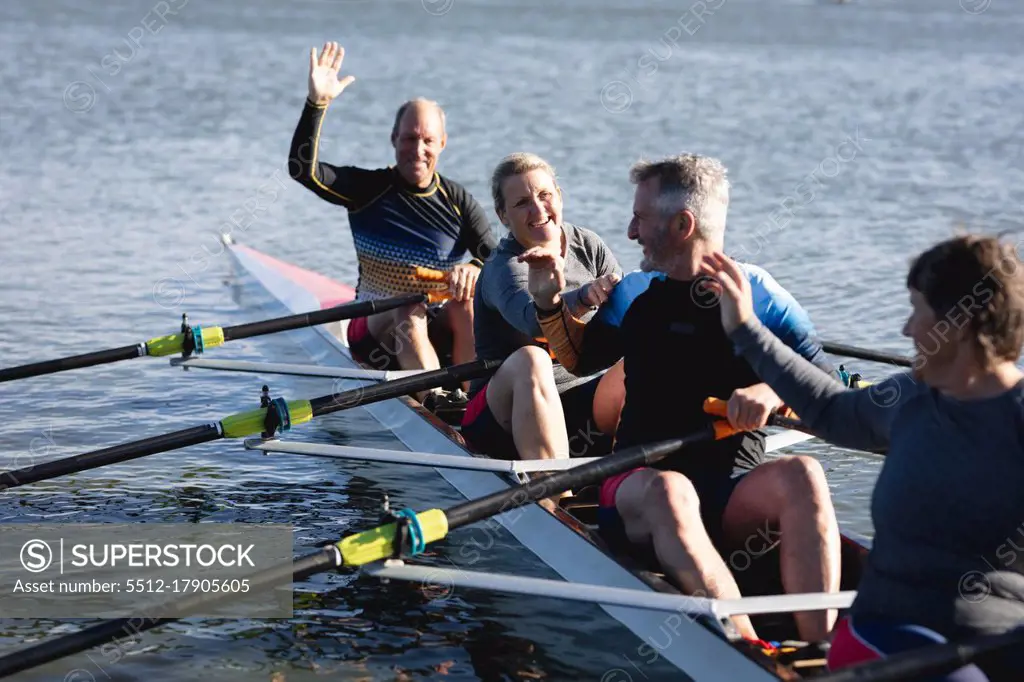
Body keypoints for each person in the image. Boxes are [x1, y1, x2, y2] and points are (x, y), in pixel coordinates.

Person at [522, 153, 842, 643]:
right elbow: (579, 360)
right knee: (673, 491)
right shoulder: (636, 293)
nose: (630, 232)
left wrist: (772, 388)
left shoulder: (760, 294)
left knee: (805, 473)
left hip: (734, 491)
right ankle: (750, 650)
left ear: (682, 224)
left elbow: (827, 389)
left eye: (641, 218)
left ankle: (823, 649)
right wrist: (549, 302)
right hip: (637, 486)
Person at [701, 235, 1024, 681]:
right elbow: (830, 409)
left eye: (917, 310)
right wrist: (745, 329)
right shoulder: (910, 397)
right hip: (888, 634)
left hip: (1002, 641)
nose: (906, 330)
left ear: (959, 324)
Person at [289, 42, 496, 392]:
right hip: (372, 326)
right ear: (393, 139)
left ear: (442, 143)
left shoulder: (458, 200)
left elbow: (495, 258)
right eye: (409, 138)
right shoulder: (368, 188)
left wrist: (474, 267)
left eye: (428, 140)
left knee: (466, 306)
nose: (418, 150)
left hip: (436, 323)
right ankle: (436, 401)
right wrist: (317, 104)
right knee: (409, 312)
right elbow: (302, 170)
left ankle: (471, 397)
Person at [461, 152, 626, 473]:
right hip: (500, 418)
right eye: (522, 203)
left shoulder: (588, 245)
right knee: (531, 358)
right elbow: (535, 323)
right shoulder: (505, 266)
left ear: (559, 197)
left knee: (640, 361)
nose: (538, 210)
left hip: (576, 406)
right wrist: (582, 298)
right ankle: (552, 493)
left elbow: (628, 320)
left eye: (544, 195)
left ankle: (636, 481)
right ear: (503, 215)